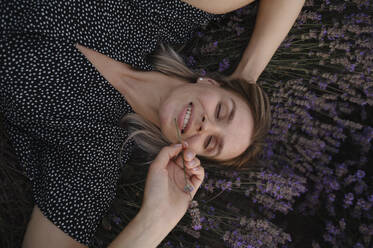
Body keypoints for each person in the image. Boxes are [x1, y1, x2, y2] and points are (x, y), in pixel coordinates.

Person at [0, 0, 304, 247]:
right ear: (211, 83)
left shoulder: (93, 155)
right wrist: (246, 75)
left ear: (189, 153)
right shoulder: (161, 12)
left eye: (211, 142)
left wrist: (156, 220)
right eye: (222, 111)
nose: (205, 125)